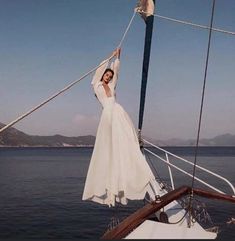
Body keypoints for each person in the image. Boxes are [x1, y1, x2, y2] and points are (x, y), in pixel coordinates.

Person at [82, 48, 160, 207]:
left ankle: (131, 168)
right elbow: (97, 73)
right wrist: (109, 58)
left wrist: (118, 58)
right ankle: (111, 181)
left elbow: (117, 72)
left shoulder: (112, 85)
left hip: (117, 112)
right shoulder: (96, 85)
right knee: (108, 147)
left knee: (125, 142)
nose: (108, 77)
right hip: (107, 115)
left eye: (109, 76)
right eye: (106, 75)